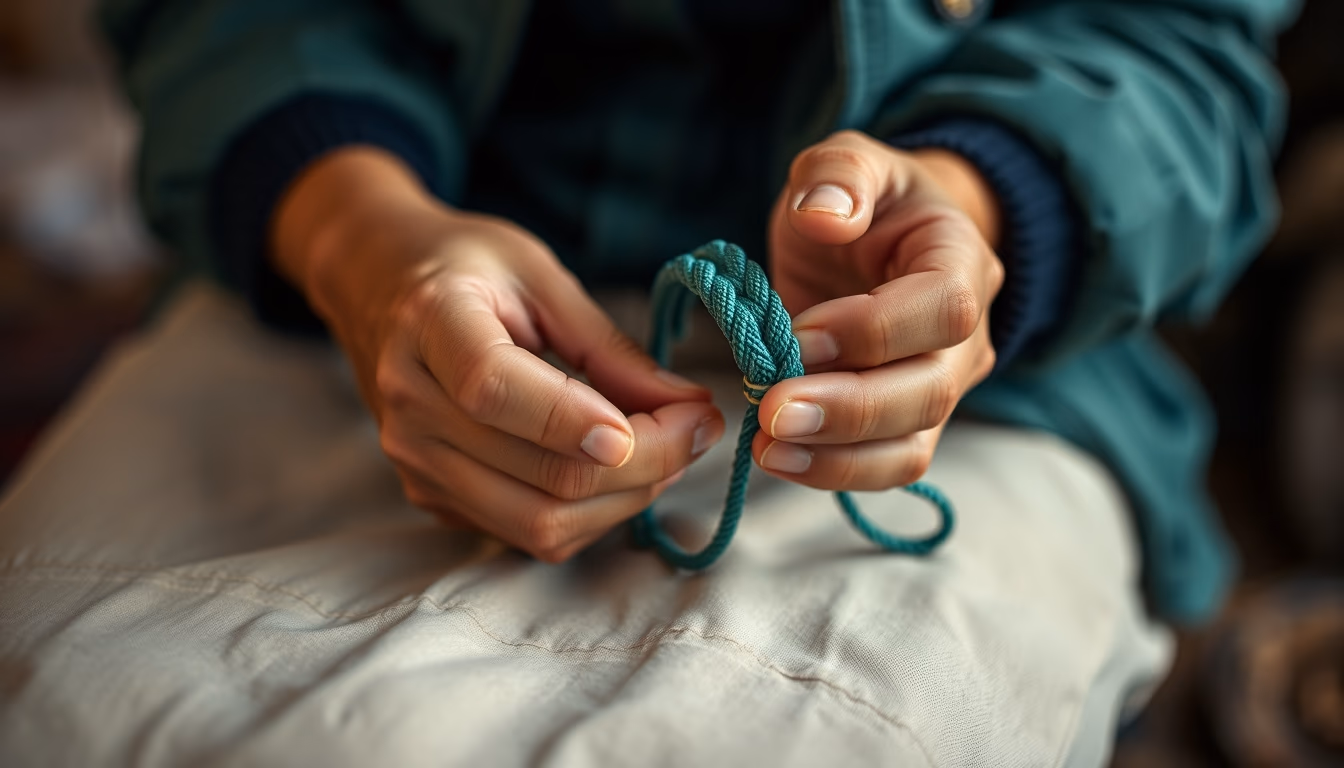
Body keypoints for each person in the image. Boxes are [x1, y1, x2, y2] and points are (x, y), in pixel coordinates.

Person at [0, 0, 1293, 765]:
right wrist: (360, 241)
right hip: (349, 276)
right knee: (73, 701)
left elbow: (1184, 55)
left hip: (986, 386)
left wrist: (977, 202)